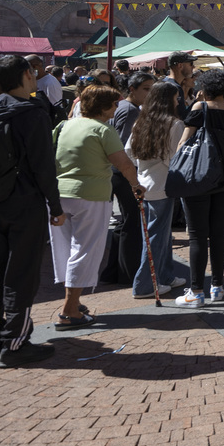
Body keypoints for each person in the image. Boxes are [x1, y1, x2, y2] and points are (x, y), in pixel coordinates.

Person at [0, 56, 64, 368]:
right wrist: (56, 207)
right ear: (28, 74)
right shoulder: (31, 113)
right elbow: (43, 167)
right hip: (25, 201)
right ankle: (14, 344)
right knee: (21, 274)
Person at [51, 84, 146, 329]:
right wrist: (136, 184)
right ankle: (70, 309)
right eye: (114, 104)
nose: (117, 107)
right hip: (90, 195)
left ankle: (72, 301)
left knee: (67, 249)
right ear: (103, 107)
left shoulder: (65, 124)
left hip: (59, 193)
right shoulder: (103, 129)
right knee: (85, 250)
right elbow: (124, 163)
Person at [173, 70, 224, 308]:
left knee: (196, 235)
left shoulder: (199, 108)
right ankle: (217, 286)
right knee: (218, 235)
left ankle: (196, 291)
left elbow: (184, 142)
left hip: (198, 178)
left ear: (204, 88)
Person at [125, 81, 187, 299]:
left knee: (159, 234)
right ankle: (144, 284)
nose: (178, 101)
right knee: (156, 236)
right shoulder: (175, 124)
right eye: (176, 97)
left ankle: (166, 275)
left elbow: (129, 152)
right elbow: (175, 159)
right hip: (162, 185)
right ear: (168, 100)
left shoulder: (141, 122)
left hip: (145, 183)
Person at [109, 71, 153, 285]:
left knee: (125, 222)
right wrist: (133, 177)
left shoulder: (130, 108)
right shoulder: (130, 110)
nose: (149, 93)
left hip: (121, 171)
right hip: (125, 171)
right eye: (145, 89)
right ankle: (128, 273)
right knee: (132, 223)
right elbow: (124, 147)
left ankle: (113, 271)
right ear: (132, 90)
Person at [163, 52, 195, 119]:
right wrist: (197, 102)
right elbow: (182, 116)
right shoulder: (175, 87)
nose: (193, 67)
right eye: (191, 64)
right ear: (180, 65)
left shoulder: (164, 82)